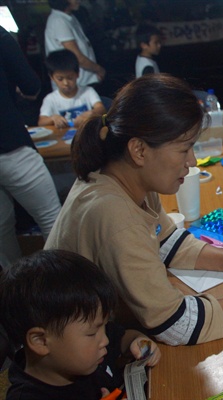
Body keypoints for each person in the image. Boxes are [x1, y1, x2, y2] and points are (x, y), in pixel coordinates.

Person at [45, 73, 223, 346]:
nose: (193, 161)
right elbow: (175, 325)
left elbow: (169, 243)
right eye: (184, 149)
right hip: (74, 346)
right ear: (139, 150)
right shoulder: (114, 213)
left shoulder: (126, 176)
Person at [0, 250, 161, 399]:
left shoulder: (88, 350)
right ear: (41, 341)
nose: (104, 340)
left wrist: (139, 341)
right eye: (92, 333)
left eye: (104, 326)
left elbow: (123, 337)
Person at [0, 26, 61, 269]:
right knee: (52, 219)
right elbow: (31, 86)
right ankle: (64, 292)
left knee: (2, 228)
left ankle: (14, 293)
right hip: (9, 142)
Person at [38, 49, 106, 129]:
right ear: (52, 77)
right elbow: (41, 122)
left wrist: (92, 113)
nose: (66, 83)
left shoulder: (88, 91)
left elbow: (101, 109)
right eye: (60, 79)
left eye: (70, 78)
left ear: (77, 74)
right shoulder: (50, 99)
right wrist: (53, 118)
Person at [44, 0, 105, 88]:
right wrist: (99, 69)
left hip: (83, 84)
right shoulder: (59, 21)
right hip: (73, 88)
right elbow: (77, 57)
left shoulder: (69, 17)